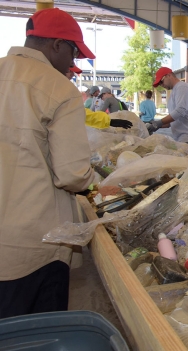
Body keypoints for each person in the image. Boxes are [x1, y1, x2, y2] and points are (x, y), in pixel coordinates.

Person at [0, 8, 98, 319]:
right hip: (34, 245)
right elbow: (72, 174)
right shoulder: (59, 89)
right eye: (73, 51)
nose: (73, 63)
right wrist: (96, 181)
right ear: (56, 44)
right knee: (37, 342)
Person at [150, 67, 188, 149]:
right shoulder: (176, 90)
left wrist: (159, 122)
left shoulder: (182, 87)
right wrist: (155, 125)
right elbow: (173, 120)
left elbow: (180, 111)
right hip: (183, 138)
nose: (161, 85)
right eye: (159, 84)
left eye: (161, 81)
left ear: (169, 75)